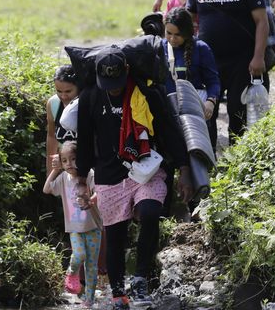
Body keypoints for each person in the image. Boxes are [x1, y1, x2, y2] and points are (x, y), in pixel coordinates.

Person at [75, 48, 194, 310]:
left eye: (117, 84)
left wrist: (185, 169)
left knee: (150, 212)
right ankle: (118, 292)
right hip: (108, 174)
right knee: (115, 236)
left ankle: (140, 278)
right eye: (108, 85)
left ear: (126, 72)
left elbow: (169, 130)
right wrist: (82, 180)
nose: (114, 90)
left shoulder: (147, 94)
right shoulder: (90, 97)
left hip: (145, 168)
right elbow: (84, 141)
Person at [187, 0, 268, 145]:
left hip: (241, 61)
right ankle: (209, 160)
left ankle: (237, 159)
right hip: (208, 62)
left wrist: (258, 57)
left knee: (236, 110)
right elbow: (187, 23)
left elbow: (262, 22)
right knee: (206, 111)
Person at [43, 141, 102, 308]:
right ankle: (71, 273)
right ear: (61, 163)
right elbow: (47, 189)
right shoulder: (62, 178)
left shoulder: (89, 174)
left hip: (93, 227)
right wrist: (55, 170)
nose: (70, 164)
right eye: (65, 160)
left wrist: (91, 199)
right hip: (74, 229)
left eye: (74, 159)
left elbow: (99, 190)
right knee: (79, 255)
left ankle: (89, 299)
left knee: (91, 265)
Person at [162, 7, 220, 147]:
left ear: (187, 33)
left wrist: (210, 102)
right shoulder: (160, 47)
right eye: (168, 33)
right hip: (170, 111)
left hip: (196, 109)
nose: (172, 39)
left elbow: (213, 81)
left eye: (177, 35)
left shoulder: (201, 48)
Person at [46, 65, 80, 176]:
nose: (64, 96)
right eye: (59, 91)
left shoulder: (88, 103)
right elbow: (51, 136)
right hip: (66, 171)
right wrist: (50, 170)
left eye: (68, 91)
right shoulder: (53, 104)